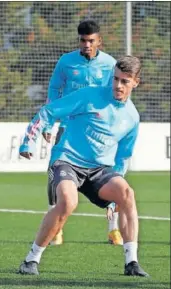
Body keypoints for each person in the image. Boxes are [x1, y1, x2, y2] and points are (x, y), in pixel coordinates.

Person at [18, 55, 149, 277]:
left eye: (124, 81)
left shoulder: (132, 117)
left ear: (136, 82)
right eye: (115, 79)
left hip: (99, 170)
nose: (117, 85)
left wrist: (113, 199)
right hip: (67, 159)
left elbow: (123, 156)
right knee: (68, 202)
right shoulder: (89, 95)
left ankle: (131, 262)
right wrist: (28, 139)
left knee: (127, 193)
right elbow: (49, 111)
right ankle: (31, 259)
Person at [44, 20, 121, 246]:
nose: (86, 44)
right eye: (83, 40)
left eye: (91, 40)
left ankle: (113, 229)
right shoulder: (66, 62)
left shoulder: (109, 64)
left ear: (99, 41)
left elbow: (118, 94)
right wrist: (49, 123)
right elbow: (54, 89)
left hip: (99, 129)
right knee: (55, 172)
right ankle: (55, 227)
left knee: (112, 172)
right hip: (68, 126)